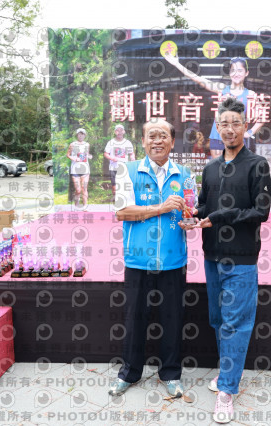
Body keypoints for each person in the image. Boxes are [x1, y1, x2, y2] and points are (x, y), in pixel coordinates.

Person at [193, 97, 271, 424]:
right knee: (217, 320)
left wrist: (222, 216)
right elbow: (203, 206)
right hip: (212, 256)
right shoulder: (210, 168)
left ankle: (227, 390)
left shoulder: (257, 165)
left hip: (241, 259)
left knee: (235, 324)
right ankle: (227, 374)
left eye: (235, 123)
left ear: (245, 126)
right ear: (217, 127)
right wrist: (191, 214)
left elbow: (261, 211)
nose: (229, 129)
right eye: (223, 124)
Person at [109, 118, 196, 399]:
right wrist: (161, 207)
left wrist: (190, 221)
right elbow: (122, 212)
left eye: (163, 136)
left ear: (172, 141)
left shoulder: (185, 174)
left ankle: (170, 373)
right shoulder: (128, 170)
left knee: (173, 319)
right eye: (152, 136)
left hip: (173, 260)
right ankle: (129, 373)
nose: (157, 141)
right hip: (138, 260)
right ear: (143, 141)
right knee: (135, 318)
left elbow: (191, 210)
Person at [164, 54, 265, 158]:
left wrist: (249, 133)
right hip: (218, 137)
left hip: (236, 137)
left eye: (240, 70)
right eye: (233, 70)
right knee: (218, 167)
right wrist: (177, 64)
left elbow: (262, 117)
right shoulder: (222, 89)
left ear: (246, 73)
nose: (236, 74)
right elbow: (197, 79)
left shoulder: (250, 94)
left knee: (236, 166)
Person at [104, 124, 135, 201]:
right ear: (115, 132)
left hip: (124, 167)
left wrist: (132, 159)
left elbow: (131, 153)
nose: (119, 132)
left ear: (124, 131)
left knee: (124, 186)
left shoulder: (127, 143)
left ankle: (125, 202)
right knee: (115, 188)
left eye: (121, 130)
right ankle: (116, 201)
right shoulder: (111, 142)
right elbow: (106, 153)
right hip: (113, 167)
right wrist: (112, 158)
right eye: (117, 130)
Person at [67, 128, 92, 209]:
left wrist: (89, 156)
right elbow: (68, 155)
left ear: (85, 135)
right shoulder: (72, 144)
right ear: (77, 135)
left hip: (85, 169)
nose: (81, 136)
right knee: (78, 190)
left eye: (82, 134)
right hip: (75, 169)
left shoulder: (87, 144)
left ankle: (85, 206)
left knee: (84, 188)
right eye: (79, 134)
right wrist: (74, 158)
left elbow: (87, 154)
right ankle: (76, 205)